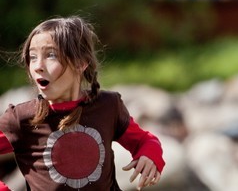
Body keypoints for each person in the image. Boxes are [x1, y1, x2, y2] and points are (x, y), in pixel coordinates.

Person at [0, 16, 165, 191]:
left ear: (81, 62)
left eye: (50, 55)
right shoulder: (21, 118)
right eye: (33, 57)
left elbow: (145, 140)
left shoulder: (108, 106)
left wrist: (149, 155)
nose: (38, 66)